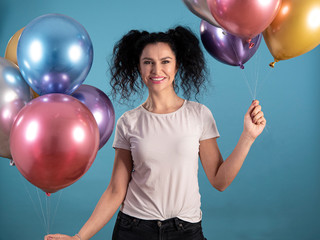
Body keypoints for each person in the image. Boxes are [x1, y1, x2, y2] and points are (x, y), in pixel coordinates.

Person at [45, 26, 266, 240]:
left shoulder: (199, 115)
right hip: (134, 229)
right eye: (148, 62)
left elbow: (219, 181)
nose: (156, 70)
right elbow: (115, 190)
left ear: (177, 66)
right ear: (139, 67)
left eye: (165, 62)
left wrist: (248, 137)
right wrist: (79, 237)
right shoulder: (128, 122)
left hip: (186, 230)